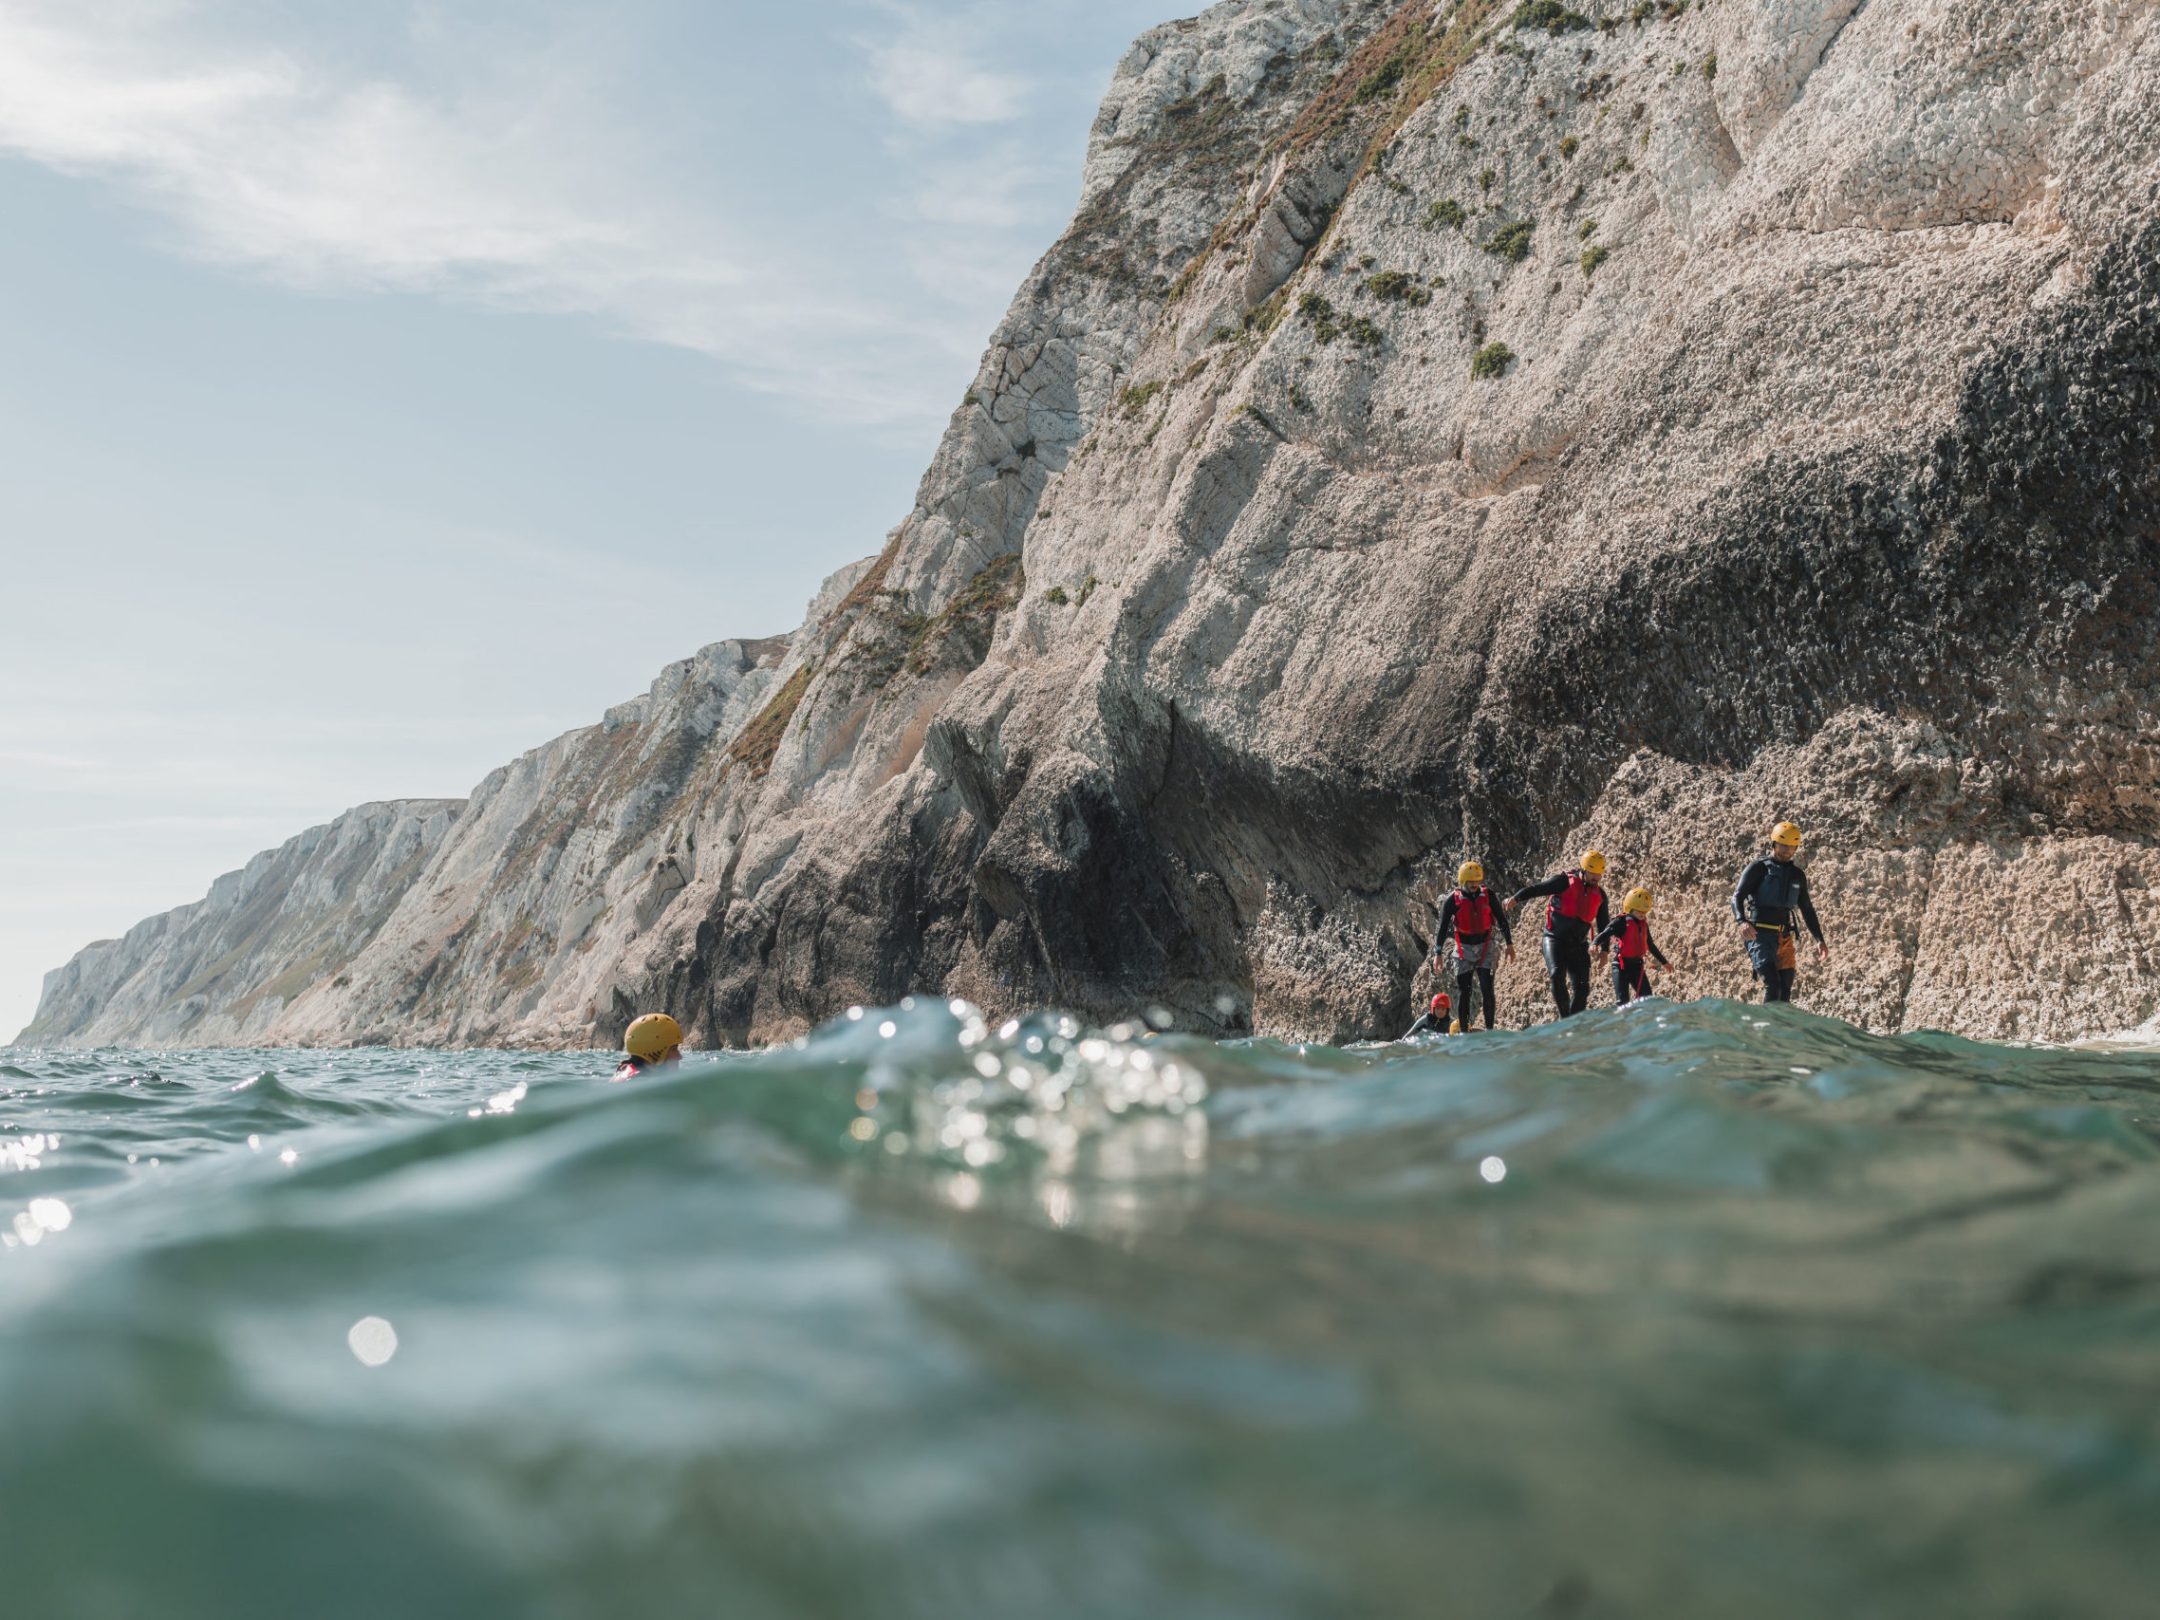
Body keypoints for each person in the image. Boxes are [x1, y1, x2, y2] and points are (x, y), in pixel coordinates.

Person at [1731, 822, 1828, 1003]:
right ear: (1773, 844)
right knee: (1773, 985)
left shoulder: (1797, 875)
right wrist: (1741, 921)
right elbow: (1737, 896)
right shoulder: (1759, 867)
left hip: (1784, 936)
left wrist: (1819, 939)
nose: (1787, 850)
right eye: (1783, 845)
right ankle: (1765, 1029)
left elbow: (1807, 908)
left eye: (1791, 847)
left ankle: (1778, 1029)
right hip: (1759, 935)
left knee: (1785, 990)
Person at [1506, 850, 1611, 1018]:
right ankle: (1565, 1020)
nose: (1596, 878)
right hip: (1554, 940)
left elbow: (1604, 924)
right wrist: (1516, 898)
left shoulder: (1600, 895)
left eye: (1599, 874)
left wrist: (1605, 950)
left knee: (1583, 989)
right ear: (1583, 870)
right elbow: (1537, 889)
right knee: (1556, 974)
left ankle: (1574, 1024)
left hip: (1578, 944)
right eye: (1592, 873)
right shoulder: (1564, 881)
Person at [1432, 861, 1515, 1031]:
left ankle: (1489, 1029)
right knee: (1465, 991)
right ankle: (1463, 1031)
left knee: (1487, 988)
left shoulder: (1488, 895)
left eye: (1477, 881)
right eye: (1471, 882)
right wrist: (1438, 953)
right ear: (1463, 881)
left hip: (1486, 947)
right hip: (1464, 950)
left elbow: (1501, 920)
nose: (1475, 885)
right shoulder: (1452, 901)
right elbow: (1442, 927)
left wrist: (1509, 944)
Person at [1595, 888, 1674, 1005]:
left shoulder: (1643, 925)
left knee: (1647, 999)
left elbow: (1650, 945)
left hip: (1637, 966)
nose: (1642, 914)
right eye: (1639, 911)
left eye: (1644, 912)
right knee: (1622, 1002)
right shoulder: (1621, 922)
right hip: (1620, 967)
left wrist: (1664, 962)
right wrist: (1594, 944)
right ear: (1630, 909)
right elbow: (1605, 933)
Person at [613, 1012, 685, 1080]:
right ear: (654, 1050)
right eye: (673, 1049)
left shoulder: (631, 1077)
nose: (679, 1057)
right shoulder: (635, 1081)